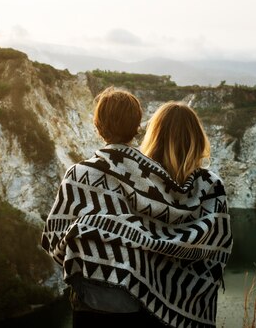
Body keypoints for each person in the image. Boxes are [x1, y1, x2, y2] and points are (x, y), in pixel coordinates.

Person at [41, 89, 232, 328]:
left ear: (97, 125)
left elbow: (56, 242)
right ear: (137, 126)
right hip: (148, 305)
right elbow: (216, 246)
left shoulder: (88, 176)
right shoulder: (183, 184)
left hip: (95, 300)